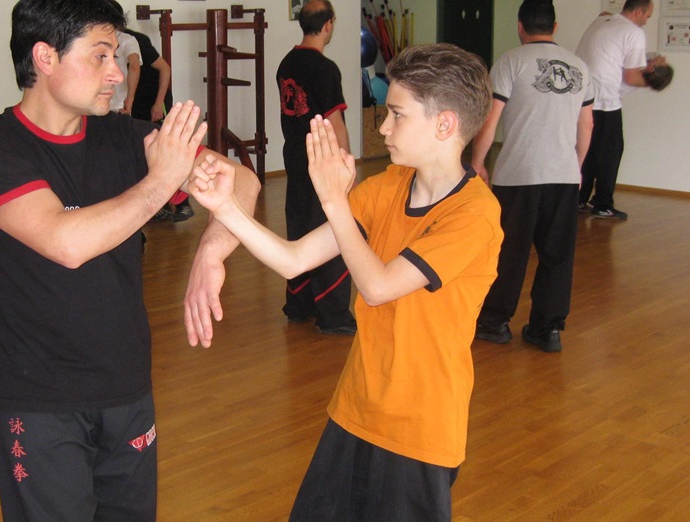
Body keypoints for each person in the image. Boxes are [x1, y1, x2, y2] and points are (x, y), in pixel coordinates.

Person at [0, 1, 259, 519]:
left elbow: (243, 183)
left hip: (126, 386)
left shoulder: (127, 138)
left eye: (115, 55)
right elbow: (66, 242)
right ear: (45, 57)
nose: (117, 74)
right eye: (100, 56)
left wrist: (211, 252)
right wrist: (162, 180)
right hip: (38, 397)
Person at [189, 43, 501, 521]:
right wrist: (225, 209)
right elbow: (294, 260)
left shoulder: (474, 215)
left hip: (420, 429)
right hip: (356, 409)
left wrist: (335, 200)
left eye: (397, 115)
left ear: (444, 125)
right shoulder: (388, 187)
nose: (384, 127)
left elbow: (377, 286)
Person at [470, 0, 594, 353]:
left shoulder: (511, 61)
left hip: (518, 175)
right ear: (554, 27)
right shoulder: (580, 67)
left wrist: (478, 162)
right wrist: (577, 166)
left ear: (520, 26)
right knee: (557, 256)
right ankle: (547, 330)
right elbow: (587, 124)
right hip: (563, 176)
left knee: (510, 251)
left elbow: (490, 119)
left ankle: (494, 323)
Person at [276, 0, 356, 335]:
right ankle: (333, 315)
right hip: (321, 161)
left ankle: (299, 305)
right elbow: (335, 122)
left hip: (295, 157)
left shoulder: (286, 63)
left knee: (299, 226)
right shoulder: (325, 68)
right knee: (328, 231)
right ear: (328, 25)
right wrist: (346, 165)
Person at [576, 0, 666, 219]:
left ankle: (578, 198)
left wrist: (650, 64)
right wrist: (655, 79)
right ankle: (603, 204)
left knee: (588, 150)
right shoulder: (633, 32)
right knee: (611, 153)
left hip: (582, 98)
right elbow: (632, 77)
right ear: (638, 12)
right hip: (605, 101)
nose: (646, 21)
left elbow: (615, 56)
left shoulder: (602, 21)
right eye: (647, 16)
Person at [111, 0, 195, 223]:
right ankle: (156, 205)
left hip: (153, 100)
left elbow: (165, 69)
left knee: (164, 151)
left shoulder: (135, 40)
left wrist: (158, 103)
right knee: (140, 153)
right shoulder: (102, 42)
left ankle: (183, 204)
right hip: (132, 104)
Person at [109, 13, 141, 115]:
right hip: (119, 103)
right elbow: (134, 66)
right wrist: (130, 99)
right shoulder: (126, 39)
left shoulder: (88, 38)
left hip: (93, 103)